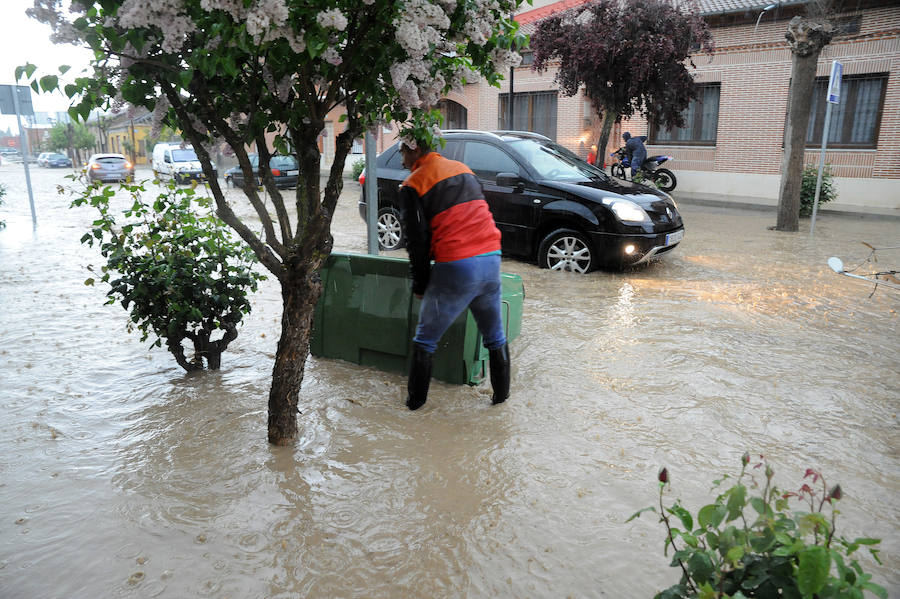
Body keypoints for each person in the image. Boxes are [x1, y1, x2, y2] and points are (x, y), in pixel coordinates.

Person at [397, 135, 510, 411]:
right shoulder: (463, 169)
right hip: (491, 258)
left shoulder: (413, 183)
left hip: (457, 264)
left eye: (402, 151)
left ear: (414, 150)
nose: (401, 158)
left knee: (425, 339)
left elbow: (417, 242)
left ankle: (414, 409)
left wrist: (421, 285)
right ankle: (501, 405)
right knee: (495, 337)